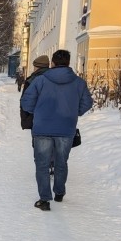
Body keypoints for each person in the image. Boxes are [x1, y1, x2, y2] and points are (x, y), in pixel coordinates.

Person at [20, 49, 93, 211]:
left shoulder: (40, 81)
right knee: (61, 162)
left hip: (42, 129)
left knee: (42, 164)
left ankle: (44, 199)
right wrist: (74, 111)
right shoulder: (79, 83)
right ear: (68, 63)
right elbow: (87, 103)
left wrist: (37, 112)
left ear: (52, 63)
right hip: (66, 128)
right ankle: (59, 192)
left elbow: (26, 102)